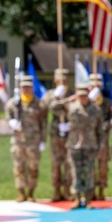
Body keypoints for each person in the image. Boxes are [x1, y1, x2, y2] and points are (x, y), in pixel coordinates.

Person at [4, 76, 47, 202]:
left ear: (32, 87)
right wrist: (11, 122)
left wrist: (43, 140)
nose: (26, 89)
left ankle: (31, 193)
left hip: (34, 141)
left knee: (33, 167)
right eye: (24, 87)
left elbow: (43, 123)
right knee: (19, 167)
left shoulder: (39, 104)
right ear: (20, 88)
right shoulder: (13, 103)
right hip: (18, 141)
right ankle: (21, 192)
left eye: (28, 87)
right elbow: (8, 117)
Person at [66, 82, 105, 209]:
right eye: (80, 96)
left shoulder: (95, 110)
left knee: (88, 173)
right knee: (75, 173)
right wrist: (68, 98)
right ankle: (77, 199)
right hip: (74, 145)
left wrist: (101, 147)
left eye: (85, 95)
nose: (82, 98)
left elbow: (100, 130)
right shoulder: (71, 107)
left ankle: (88, 200)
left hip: (90, 145)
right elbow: (52, 107)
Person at [42, 68, 72, 202]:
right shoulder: (49, 94)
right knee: (56, 163)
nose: (62, 82)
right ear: (55, 80)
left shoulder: (72, 93)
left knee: (68, 163)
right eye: (60, 80)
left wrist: (65, 101)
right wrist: (57, 97)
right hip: (55, 134)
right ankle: (56, 191)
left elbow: (73, 107)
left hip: (69, 133)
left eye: (65, 80)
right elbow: (47, 107)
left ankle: (67, 191)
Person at [90, 73, 112, 201]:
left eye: (98, 85)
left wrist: (107, 125)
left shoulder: (107, 102)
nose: (95, 87)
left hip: (103, 139)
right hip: (89, 139)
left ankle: (102, 190)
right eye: (93, 85)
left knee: (103, 166)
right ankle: (91, 190)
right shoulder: (86, 102)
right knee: (91, 166)